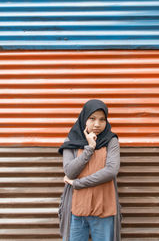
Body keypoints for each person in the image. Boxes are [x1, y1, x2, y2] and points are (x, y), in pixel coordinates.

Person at [58, 99, 121, 241]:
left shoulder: (111, 140)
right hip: (76, 209)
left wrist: (77, 184)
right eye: (92, 118)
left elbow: (111, 171)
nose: (97, 124)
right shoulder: (71, 141)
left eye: (102, 119)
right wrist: (90, 148)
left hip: (104, 208)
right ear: (84, 118)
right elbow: (70, 171)